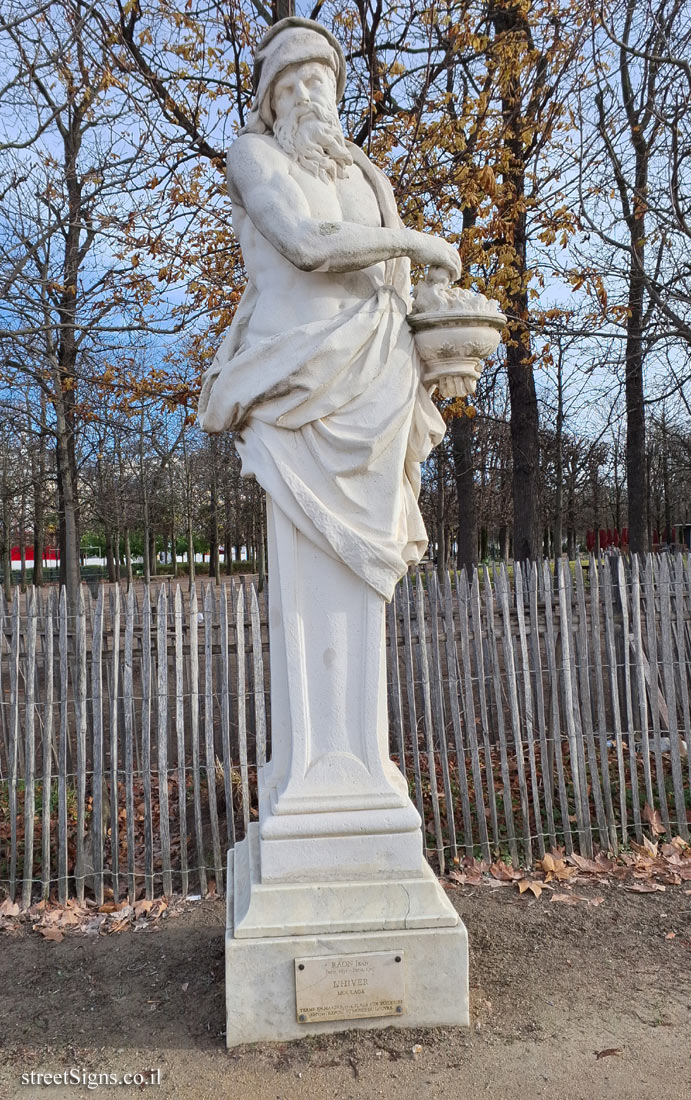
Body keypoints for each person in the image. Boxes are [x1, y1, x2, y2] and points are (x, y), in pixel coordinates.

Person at [198, 18, 460, 877]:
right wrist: (417, 242)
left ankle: (355, 780)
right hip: (297, 391)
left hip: (372, 385)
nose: (309, 95)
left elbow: (391, 287)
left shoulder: (367, 174)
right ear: (269, 103)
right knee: (311, 593)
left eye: (321, 82)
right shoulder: (255, 159)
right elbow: (308, 247)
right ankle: (309, 783)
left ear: (338, 94)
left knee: (360, 591)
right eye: (290, 85)